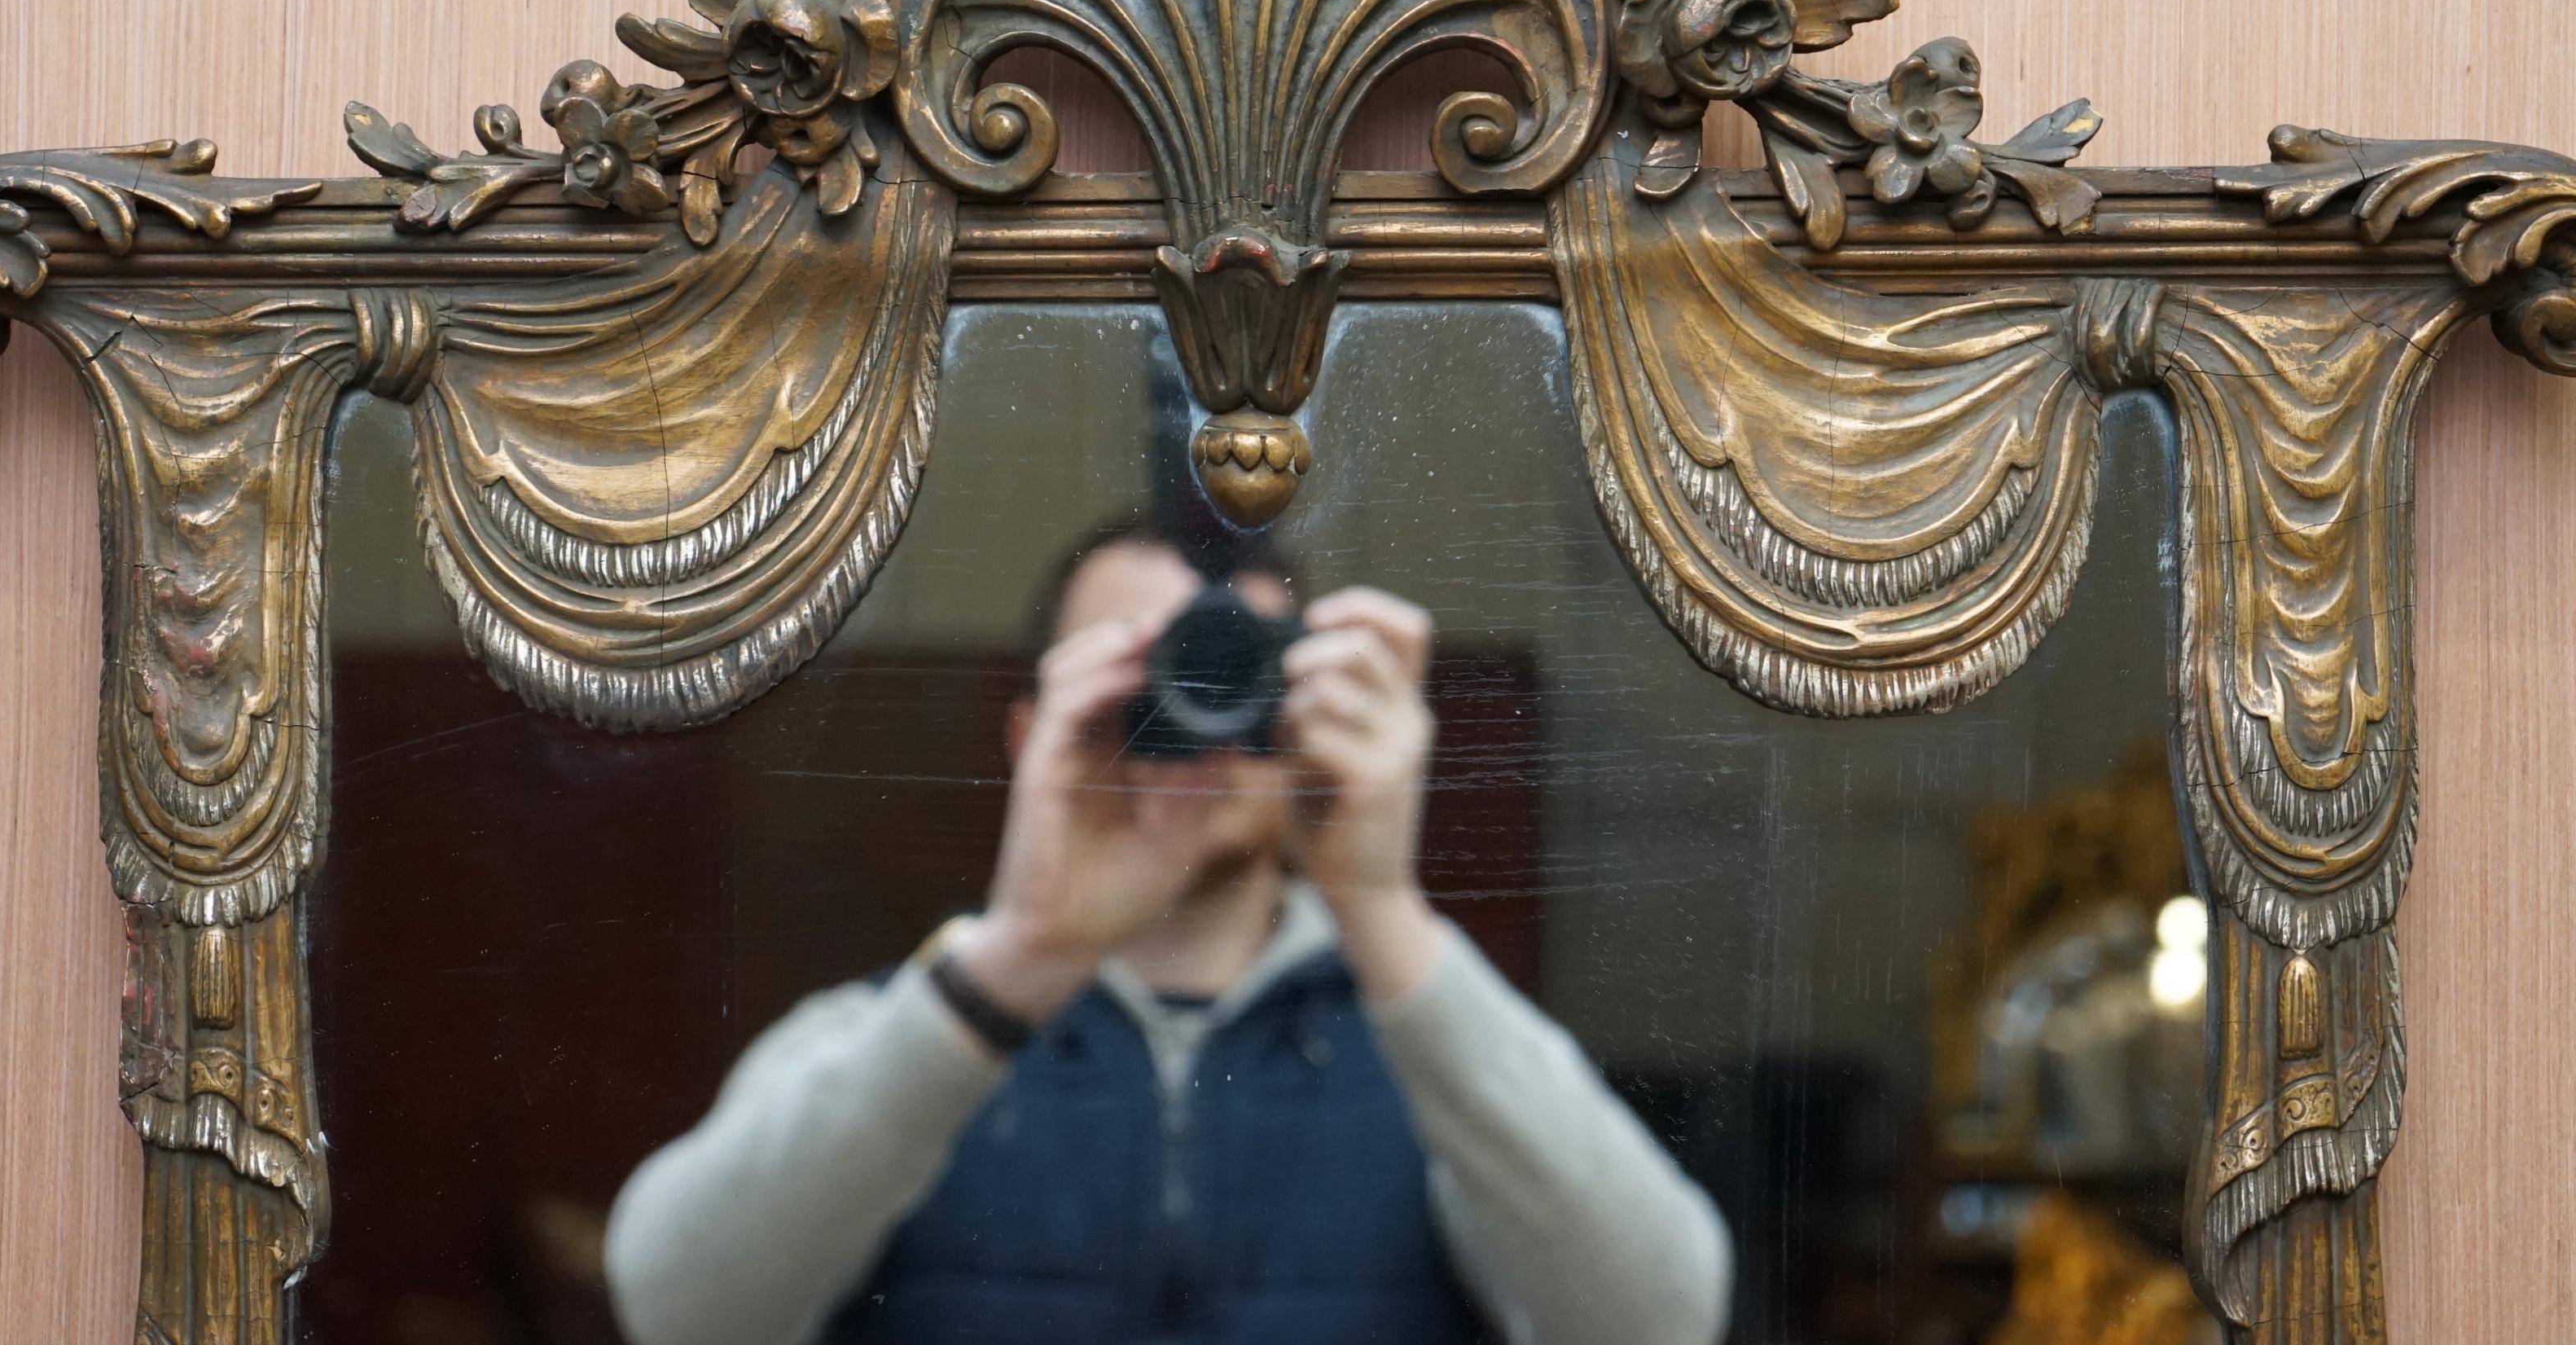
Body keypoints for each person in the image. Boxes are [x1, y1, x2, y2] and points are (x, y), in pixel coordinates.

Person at [602, 526, 1731, 1345]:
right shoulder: (892, 1032)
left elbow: (1663, 1316)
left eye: (1232, 666)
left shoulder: (1439, 1051)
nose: (1195, 717)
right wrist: (1016, 962)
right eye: (1139, 675)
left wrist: (1382, 907)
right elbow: (674, 1305)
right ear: (1032, 731)